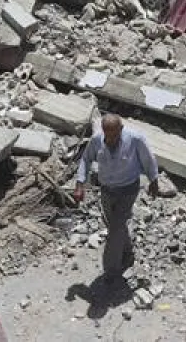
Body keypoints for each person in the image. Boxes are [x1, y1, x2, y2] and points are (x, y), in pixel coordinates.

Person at [73, 114, 160, 281]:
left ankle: (111, 271)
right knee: (114, 225)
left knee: (115, 228)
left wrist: (153, 181)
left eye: (114, 135)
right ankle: (127, 253)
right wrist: (79, 184)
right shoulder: (98, 140)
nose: (110, 139)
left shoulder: (135, 139)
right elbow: (86, 159)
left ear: (121, 129)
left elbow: (149, 159)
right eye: (108, 134)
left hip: (128, 189)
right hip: (106, 189)